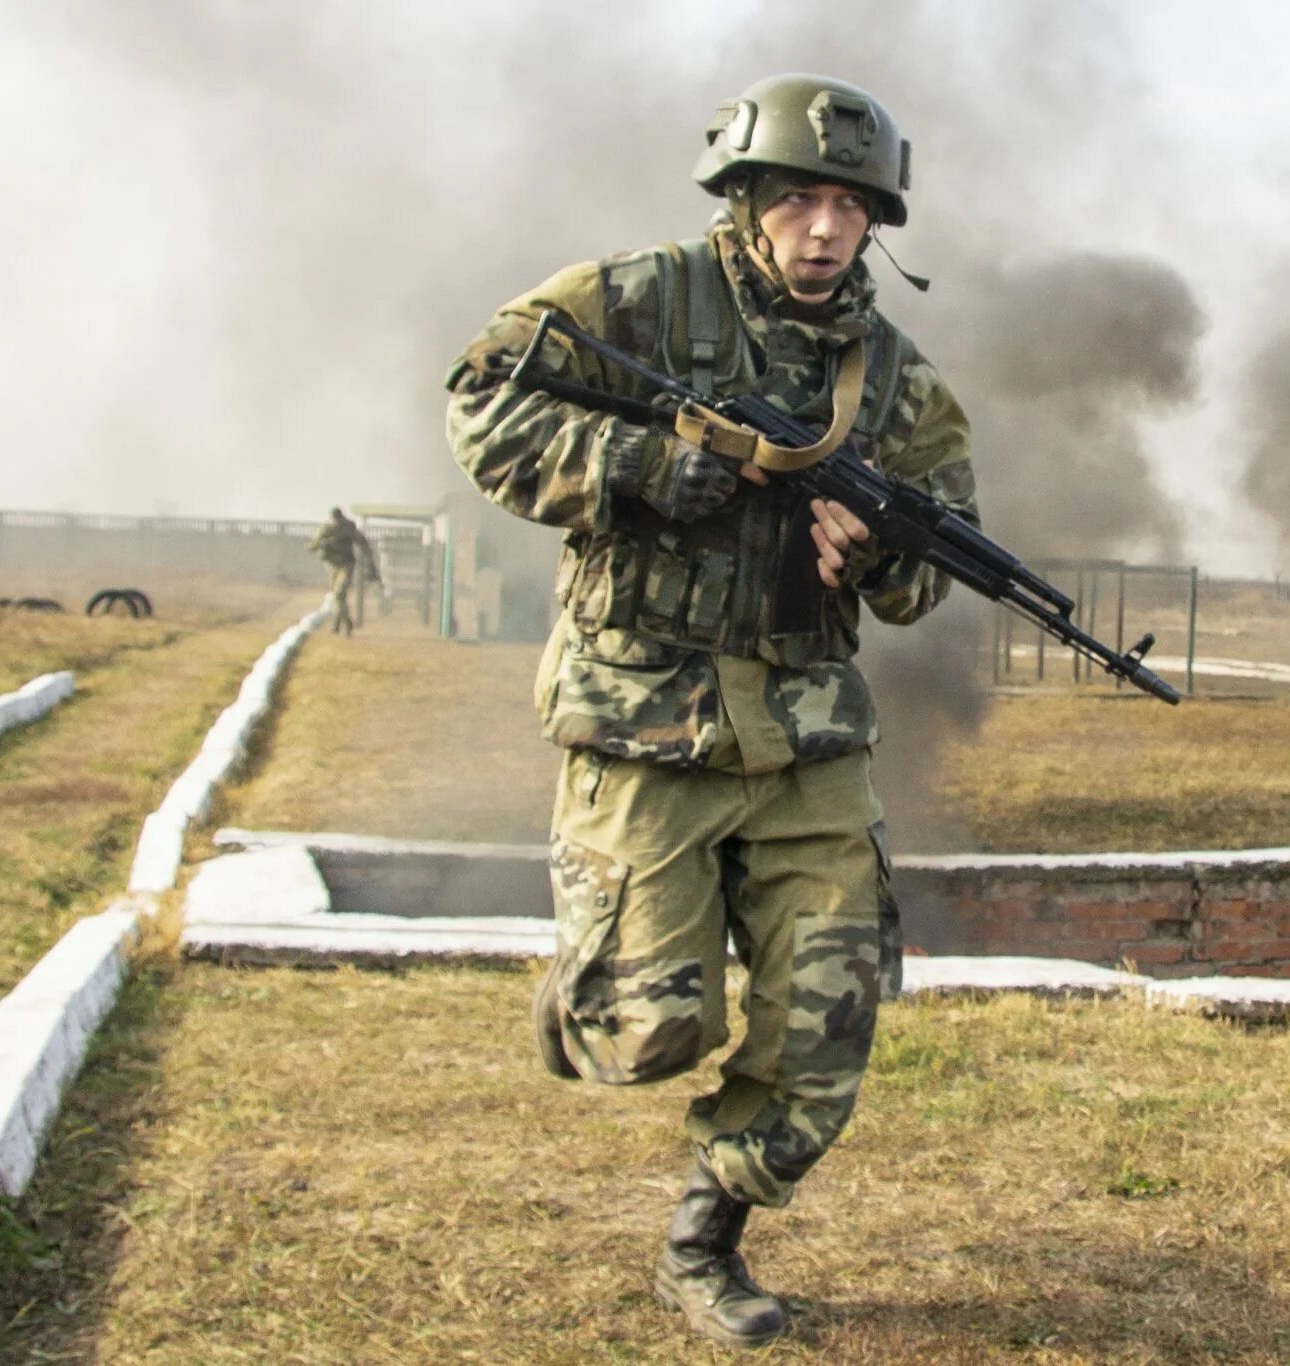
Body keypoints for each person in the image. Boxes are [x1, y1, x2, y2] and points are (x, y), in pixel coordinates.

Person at [443, 73, 975, 1350]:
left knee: (826, 1017)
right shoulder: (637, 298)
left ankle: (704, 1239)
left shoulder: (894, 381)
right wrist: (642, 466)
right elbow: (483, 394)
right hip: (645, 713)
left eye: (850, 207)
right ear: (743, 202)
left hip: (803, 732)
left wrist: (878, 558)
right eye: (795, 197)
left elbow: (929, 567)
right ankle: (595, 975)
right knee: (650, 1029)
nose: (823, 229)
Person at [307, 507, 378, 636]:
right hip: (332, 566)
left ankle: (344, 624)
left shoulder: (348, 528)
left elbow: (362, 542)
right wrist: (325, 543)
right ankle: (339, 623)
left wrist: (370, 562)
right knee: (337, 596)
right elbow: (311, 546)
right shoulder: (326, 529)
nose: (336, 523)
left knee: (339, 594)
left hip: (346, 565)